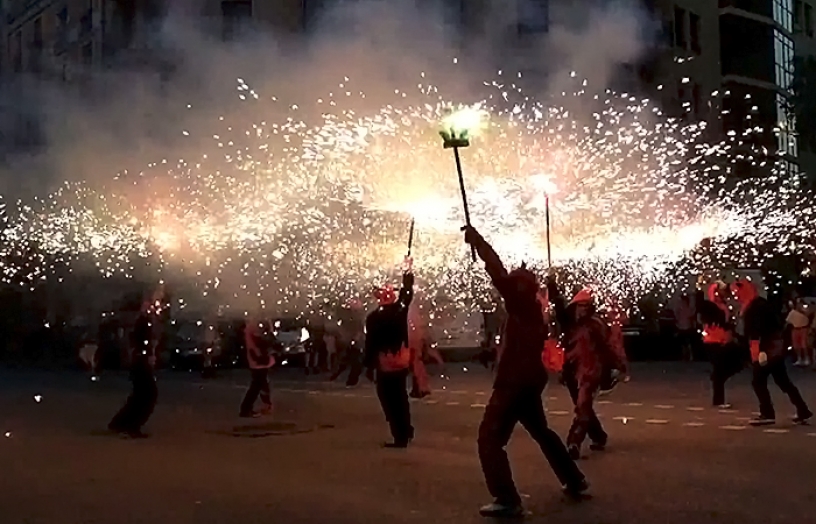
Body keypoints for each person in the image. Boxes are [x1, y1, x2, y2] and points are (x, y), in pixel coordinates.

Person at [463, 226, 588, 518]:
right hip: (529, 382)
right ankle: (574, 478)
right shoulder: (529, 309)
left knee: (489, 438)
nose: (506, 287)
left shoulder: (522, 306)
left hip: (514, 384)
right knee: (541, 431)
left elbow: (498, 273)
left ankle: (506, 497)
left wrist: (479, 243)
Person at [549, 284, 625, 460]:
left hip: (591, 372)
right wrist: (553, 289)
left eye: (585, 306)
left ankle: (573, 443)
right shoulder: (571, 325)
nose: (581, 310)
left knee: (582, 406)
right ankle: (598, 436)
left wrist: (618, 366)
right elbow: (560, 312)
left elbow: (608, 347)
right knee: (583, 406)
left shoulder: (595, 326)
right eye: (579, 306)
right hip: (572, 372)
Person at [731, 279, 812, 426]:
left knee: (758, 381)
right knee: (783, 381)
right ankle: (802, 410)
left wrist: (762, 350)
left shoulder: (755, 307)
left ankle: (767, 413)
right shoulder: (757, 304)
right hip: (772, 348)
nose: (736, 296)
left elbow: (760, 330)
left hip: (767, 349)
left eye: (737, 292)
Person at [363, 268, 415, 448]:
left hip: (385, 363)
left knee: (389, 399)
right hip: (400, 361)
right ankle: (405, 430)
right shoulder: (399, 311)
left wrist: (368, 365)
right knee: (400, 397)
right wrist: (408, 275)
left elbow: (370, 343)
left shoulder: (374, 317)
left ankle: (400, 434)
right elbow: (407, 295)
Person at [108, 300, 159, 438]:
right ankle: (131, 425)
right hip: (140, 362)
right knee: (147, 394)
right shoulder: (142, 322)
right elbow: (140, 341)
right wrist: (147, 354)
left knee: (140, 395)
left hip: (139, 361)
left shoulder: (142, 321)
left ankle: (121, 423)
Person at [698, 282, 742, 408]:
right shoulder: (710, 306)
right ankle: (718, 400)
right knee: (719, 369)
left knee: (735, 363)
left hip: (723, 340)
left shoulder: (723, 305)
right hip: (713, 341)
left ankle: (718, 380)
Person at [239, 316, 274, 418]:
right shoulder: (252, 330)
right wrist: (270, 330)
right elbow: (263, 341)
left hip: (258, 360)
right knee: (256, 386)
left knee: (260, 384)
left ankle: (264, 405)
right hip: (258, 360)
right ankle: (246, 409)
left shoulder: (250, 329)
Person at [786, 299, 811, 367]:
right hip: (795, 329)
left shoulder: (805, 311)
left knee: (804, 344)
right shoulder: (792, 312)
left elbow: (809, 316)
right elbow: (788, 321)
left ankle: (806, 358)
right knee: (796, 345)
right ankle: (799, 358)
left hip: (804, 329)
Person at [674, 294, 697, 361]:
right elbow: (677, 317)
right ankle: (684, 356)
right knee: (683, 343)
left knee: (688, 343)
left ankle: (690, 356)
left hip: (687, 327)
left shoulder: (688, 309)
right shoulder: (680, 310)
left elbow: (691, 315)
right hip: (681, 327)